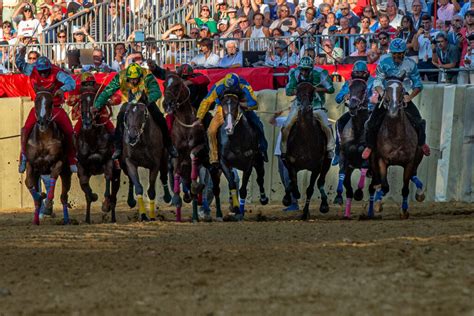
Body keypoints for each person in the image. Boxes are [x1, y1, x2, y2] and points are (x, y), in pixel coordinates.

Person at [361, 38, 431, 160]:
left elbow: (418, 84)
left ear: (404, 53)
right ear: (391, 53)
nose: (397, 56)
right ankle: (370, 146)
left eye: (400, 54)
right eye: (394, 53)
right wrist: (382, 93)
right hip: (386, 95)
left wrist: (410, 97)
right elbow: (377, 81)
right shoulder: (383, 62)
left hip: (402, 95)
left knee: (419, 121)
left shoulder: (411, 64)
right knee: (371, 123)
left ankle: (421, 143)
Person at [93, 63, 177, 160]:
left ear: (140, 76)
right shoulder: (120, 76)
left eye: (136, 78)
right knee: (120, 117)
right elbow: (107, 91)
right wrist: (97, 105)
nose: (133, 81)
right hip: (129, 103)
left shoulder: (147, 75)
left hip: (146, 102)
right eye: (131, 79)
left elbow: (156, 91)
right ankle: (118, 147)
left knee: (160, 118)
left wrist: (147, 100)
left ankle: (169, 145)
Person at [16, 51, 77, 173]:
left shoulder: (57, 72)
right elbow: (19, 64)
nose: (43, 73)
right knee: (25, 129)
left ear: (49, 68)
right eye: (41, 71)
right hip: (39, 107)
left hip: (55, 107)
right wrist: (21, 53)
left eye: (46, 71)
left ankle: (71, 159)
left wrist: (62, 89)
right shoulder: (31, 69)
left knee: (69, 131)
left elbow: (72, 83)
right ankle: (23, 156)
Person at [196, 73, 269, 165]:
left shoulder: (245, 85)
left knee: (258, 124)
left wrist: (241, 104)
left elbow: (254, 104)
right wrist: (199, 117)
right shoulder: (219, 86)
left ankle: (262, 149)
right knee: (211, 130)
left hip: (242, 107)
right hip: (223, 108)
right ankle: (214, 157)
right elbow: (206, 101)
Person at [282, 56, 336, 160]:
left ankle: (330, 148)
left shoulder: (320, 73)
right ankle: (284, 150)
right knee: (286, 126)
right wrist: (301, 90)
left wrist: (315, 89)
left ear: (311, 68)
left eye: (306, 70)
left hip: (316, 106)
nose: (304, 72)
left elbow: (331, 89)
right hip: (299, 105)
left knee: (326, 125)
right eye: (302, 69)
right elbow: (288, 91)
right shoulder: (294, 72)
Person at [333, 61, 375, 165]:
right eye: (357, 73)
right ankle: (338, 151)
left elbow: (377, 97)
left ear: (366, 73)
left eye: (361, 73)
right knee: (339, 122)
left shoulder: (374, 82)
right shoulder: (349, 82)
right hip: (354, 112)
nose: (359, 75)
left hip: (370, 111)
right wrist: (344, 96)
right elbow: (337, 98)